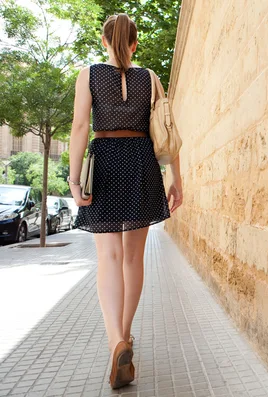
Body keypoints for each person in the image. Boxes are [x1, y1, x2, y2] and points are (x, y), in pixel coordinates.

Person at [67, 13, 183, 389]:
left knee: (109, 257)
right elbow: (166, 127)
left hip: (105, 162)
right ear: (134, 44)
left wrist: (73, 178)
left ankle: (114, 339)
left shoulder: (89, 74)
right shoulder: (149, 78)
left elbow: (81, 126)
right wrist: (175, 177)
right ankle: (126, 336)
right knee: (133, 258)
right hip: (141, 163)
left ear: (105, 41)